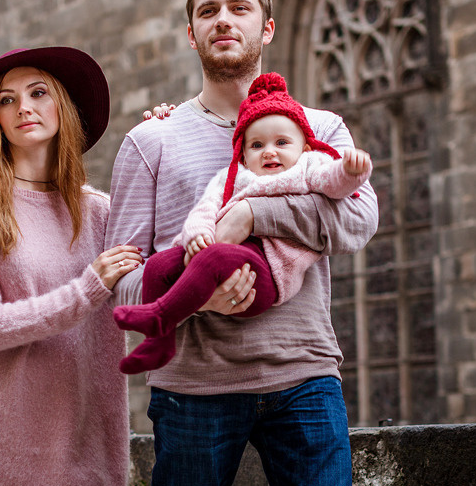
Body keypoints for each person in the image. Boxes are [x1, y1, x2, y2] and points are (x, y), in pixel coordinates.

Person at [106, 0, 379, 486]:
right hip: (193, 390)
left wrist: (255, 216)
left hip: (304, 377)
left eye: (239, 8)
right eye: (208, 12)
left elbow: (358, 222)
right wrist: (197, 296)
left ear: (267, 27)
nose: (223, 20)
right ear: (191, 34)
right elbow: (122, 282)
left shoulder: (321, 129)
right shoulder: (150, 141)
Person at [0, 46, 142, 486]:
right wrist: (88, 288)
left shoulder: (100, 212)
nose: (23, 107)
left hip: (88, 461)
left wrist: (168, 136)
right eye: (7, 100)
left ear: (62, 105)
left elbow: (156, 282)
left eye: (38, 92)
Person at [113, 72, 373, 374]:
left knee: (214, 257)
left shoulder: (308, 166)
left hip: (269, 272)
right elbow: (205, 208)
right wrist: (197, 234)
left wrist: (350, 172)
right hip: (194, 369)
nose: (270, 151)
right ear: (244, 156)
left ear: (304, 148)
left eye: (282, 142)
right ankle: (159, 341)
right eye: (257, 145)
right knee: (160, 265)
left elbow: (335, 186)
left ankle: (161, 314)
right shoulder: (234, 176)